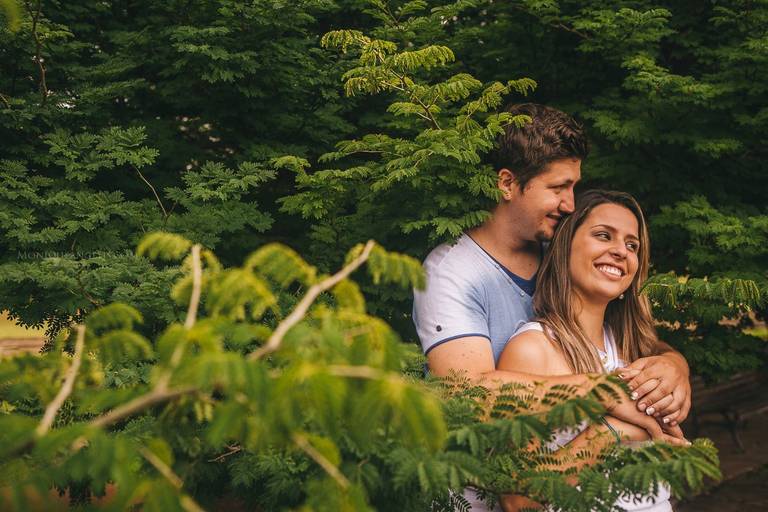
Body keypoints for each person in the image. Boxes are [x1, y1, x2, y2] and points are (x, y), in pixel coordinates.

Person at [412, 104, 691, 511]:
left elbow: (621, 333)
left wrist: (674, 365)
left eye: (574, 187)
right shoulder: (453, 272)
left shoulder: (559, 252)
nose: (569, 203)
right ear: (508, 183)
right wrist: (603, 393)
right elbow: (465, 391)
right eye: (558, 187)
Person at [497, 189, 678, 511]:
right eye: (603, 235)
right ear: (565, 247)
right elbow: (517, 500)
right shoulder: (533, 349)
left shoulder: (633, 347)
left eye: (632, 245)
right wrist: (611, 432)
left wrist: (677, 364)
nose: (620, 251)